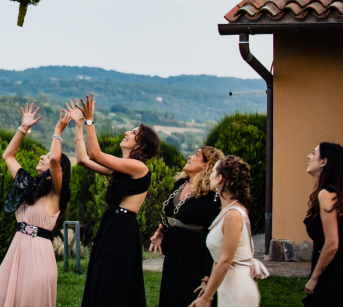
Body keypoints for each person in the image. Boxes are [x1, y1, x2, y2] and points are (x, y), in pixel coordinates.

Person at [72, 94, 160, 307]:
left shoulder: (139, 168)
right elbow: (83, 160)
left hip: (122, 229)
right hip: (111, 225)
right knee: (102, 276)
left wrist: (90, 119)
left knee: (113, 279)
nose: (127, 132)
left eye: (134, 132)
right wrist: (78, 124)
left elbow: (95, 154)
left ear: (142, 145)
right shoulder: (120, 168)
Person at [0, 104, 72, 307]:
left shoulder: (56, 194)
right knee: (0, 298)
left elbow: (56, 158)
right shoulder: (28, 186)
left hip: (38, 256)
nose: (44, 156)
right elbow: (8, 156)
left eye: (48, 157)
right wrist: (23, 128)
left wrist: (58, 131)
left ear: (57, 170)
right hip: (17, 249)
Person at [149, 146, 224, 307]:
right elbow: (175, 216)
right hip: (173, 261)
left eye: (196, 155)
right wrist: (163, 234)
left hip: (194, 264)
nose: (189, 156)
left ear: (206, 165)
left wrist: (208, 275)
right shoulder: (180, 184)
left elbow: (215, 237)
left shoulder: (211, 196)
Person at [191, 156, 267, 307]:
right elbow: (218, 259)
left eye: (212, 171)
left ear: (220, 178)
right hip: (226, 285)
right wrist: (209, 290)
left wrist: (206, 298)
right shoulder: (225, 212)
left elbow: (225, 261)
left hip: (237, 286)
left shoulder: (233, 214)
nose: (209, 175)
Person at [303, 142, 343, 306]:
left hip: (333, 278)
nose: (308, 156)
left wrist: (314, 278)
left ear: (324, 162)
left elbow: (332, 243)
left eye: (313, 153)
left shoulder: (327, 194)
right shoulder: (332, 192)